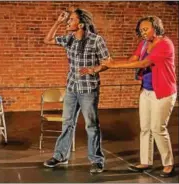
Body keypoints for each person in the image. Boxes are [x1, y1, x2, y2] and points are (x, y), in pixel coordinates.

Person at [102, 16, 176, 178]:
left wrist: (113, 65)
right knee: (145, 128)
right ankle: (145, 161)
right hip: (147, 90)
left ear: (156, 28)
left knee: (158, 128)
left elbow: (144, 64)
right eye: (141, 30)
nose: (143, 32)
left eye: (146, 29)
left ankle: (168, 164)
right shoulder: (143, 44)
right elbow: (133, 59)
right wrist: (111, 61)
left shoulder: (165, 44)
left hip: (163, 92)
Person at [42, 8, 110, 174]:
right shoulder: (69, 39)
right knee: (67, 123)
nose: (68, 22)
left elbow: (108, 62)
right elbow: (47, 40)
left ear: (80, 24)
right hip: (71, 88)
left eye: (71, 20)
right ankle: (60, 155)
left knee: (91, 126)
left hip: (88, 89)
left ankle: (96, 160)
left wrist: (93, 69)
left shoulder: (96, 40)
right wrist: (58, 22)